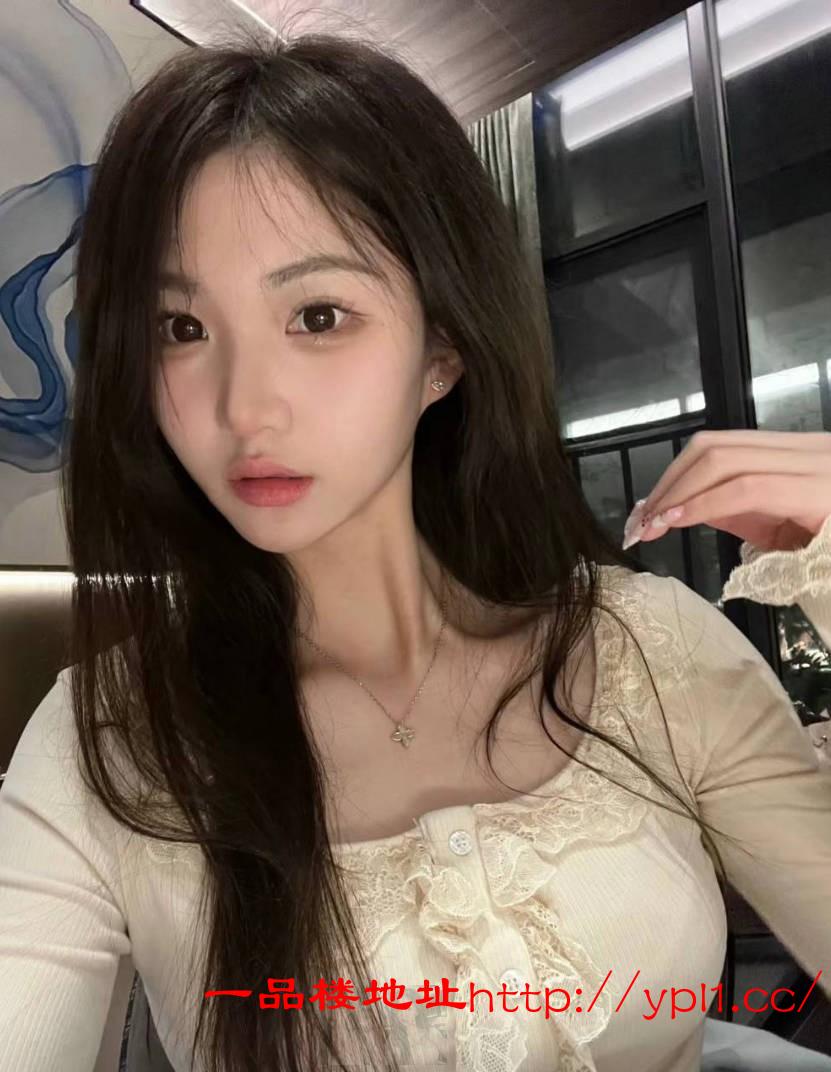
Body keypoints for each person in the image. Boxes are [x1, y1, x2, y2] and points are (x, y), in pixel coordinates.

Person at [1, 25, 830, 1072]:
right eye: (180, 328)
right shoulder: (110, 739)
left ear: (441, 349)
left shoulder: (651, 654)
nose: (245, 407)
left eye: (318, 315)